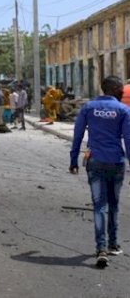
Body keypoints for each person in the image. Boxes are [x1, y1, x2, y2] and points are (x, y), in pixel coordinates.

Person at [69, 75, 130, 268]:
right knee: (114, 203)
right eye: (122, 89)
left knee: (99, 206)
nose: (123, 92)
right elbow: (129, 141)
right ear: (116, 90)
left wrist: (73, 160)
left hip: (94, 161)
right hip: (116, 162)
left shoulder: (88, 108)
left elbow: (78, 134)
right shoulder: (123, 110)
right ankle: (113, 244)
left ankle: (101, 248)